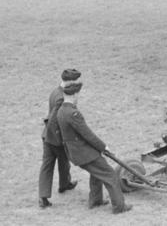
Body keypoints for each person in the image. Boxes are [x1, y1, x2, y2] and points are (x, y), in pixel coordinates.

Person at [56, 77, 132, 214]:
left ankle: (96, 201)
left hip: (76, 151)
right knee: (110, 174)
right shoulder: (73, 113)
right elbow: (88, 135)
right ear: (74, 94)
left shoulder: (61, 110)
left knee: (96, 173)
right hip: (83, 152)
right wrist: (104, 147)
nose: (78, 96)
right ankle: (119, 207)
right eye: (78, 94)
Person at [38, 69, 80, 208]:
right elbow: (55, 120)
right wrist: (60, 138)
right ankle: (64, 184)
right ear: (69, 82)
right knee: (61, 160)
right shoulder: (62, 97)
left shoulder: (54, 91)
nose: (76, 85)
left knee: (48, 166)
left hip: (46, 136)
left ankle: (45, 196)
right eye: (74, 81)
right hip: (55, 137)